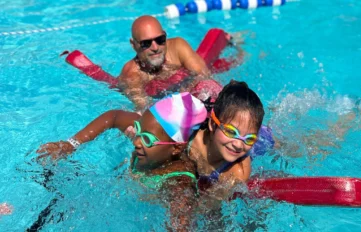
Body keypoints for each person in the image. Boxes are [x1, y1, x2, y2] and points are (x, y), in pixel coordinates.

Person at [37, 81, 265, 200]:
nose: (239, 143)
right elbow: (115, 117)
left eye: (248, 138)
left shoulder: (237, 170)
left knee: (269, 141)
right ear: (214, 125)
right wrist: (71, 144)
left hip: (262, 141)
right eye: (232, 132)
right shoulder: (183, 129)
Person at [38, 92, 208, 231]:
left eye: (147, 139)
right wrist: (71, 144)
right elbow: (114, 116)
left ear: (176, 148)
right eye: (138, 130)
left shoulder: (178, 181)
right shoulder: (154, 130)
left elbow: (182, 221)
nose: (136, 142)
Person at [118, 15, 210, 109]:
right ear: (133, 45)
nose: (155, 48)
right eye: (146, 43)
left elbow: (204, 75)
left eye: (160, 39)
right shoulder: (132, 75)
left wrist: (186, 91)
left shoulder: (178, 47)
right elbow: (145, 109)